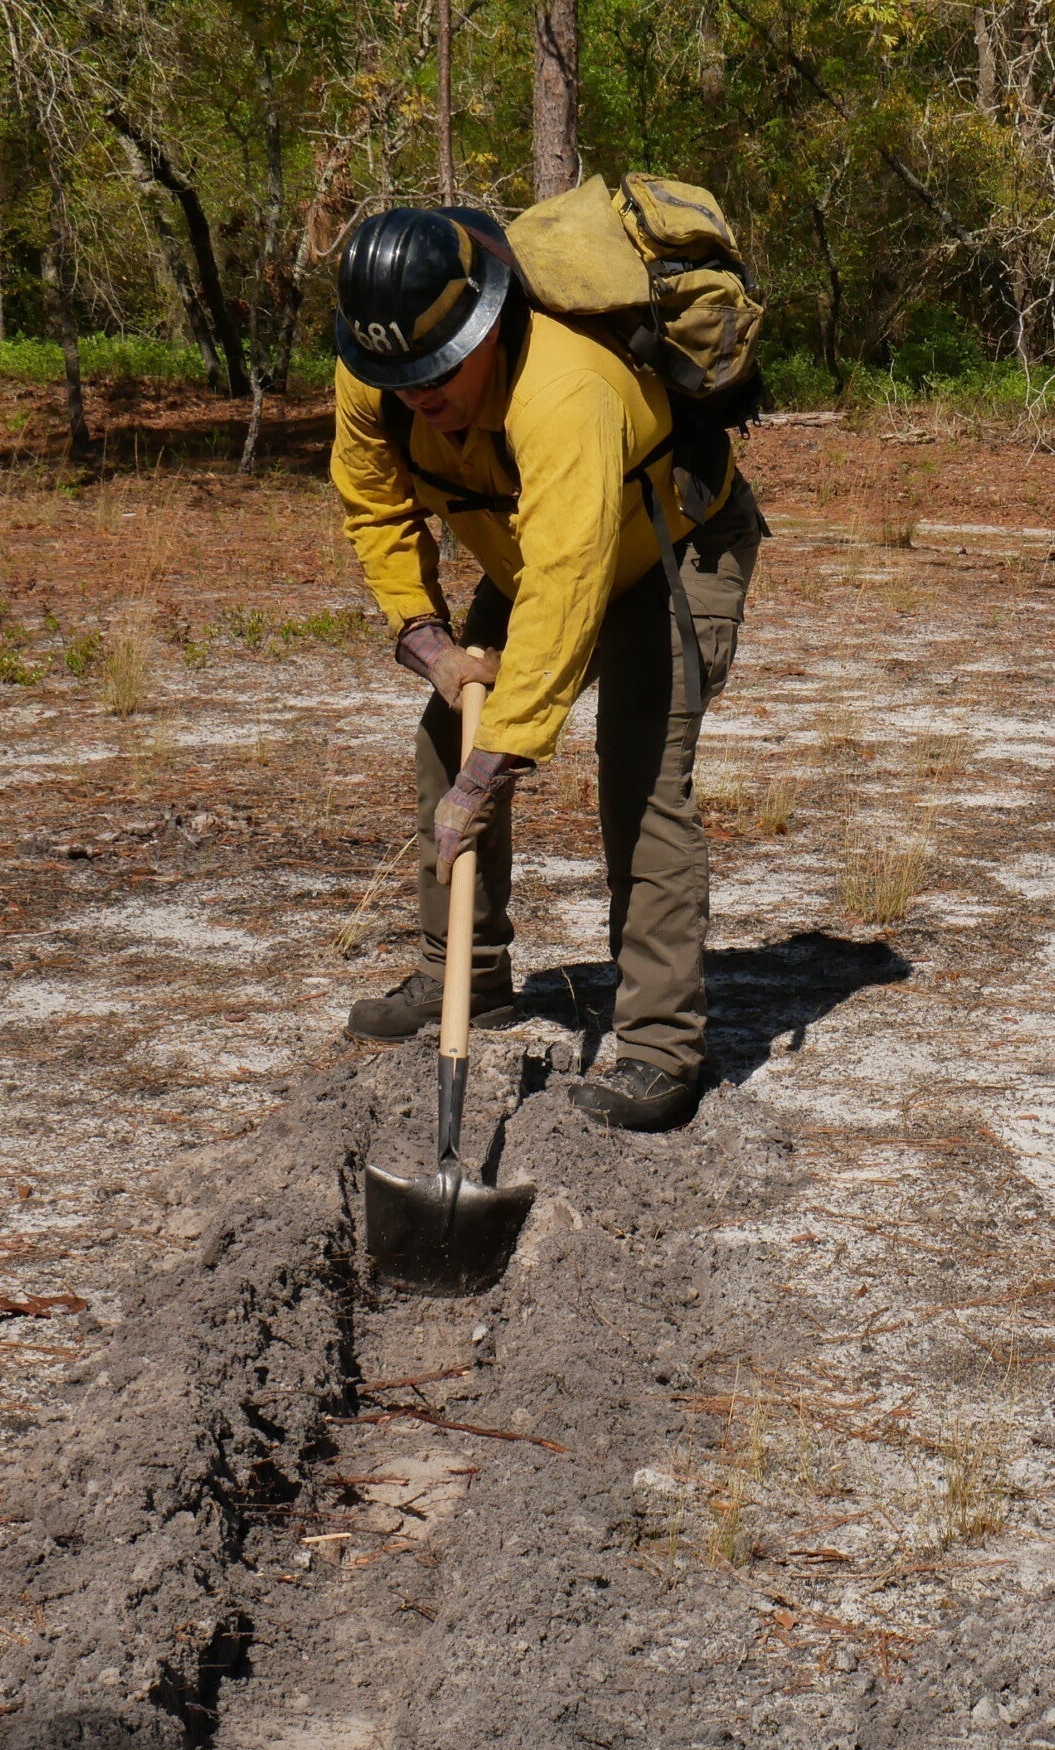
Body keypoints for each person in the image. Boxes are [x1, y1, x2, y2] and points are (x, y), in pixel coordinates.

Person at [326, 204, 765, 1133]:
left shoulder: (564, 392)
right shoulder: (377, 370)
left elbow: (572, 584)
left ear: (481, 324)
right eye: (401, 377)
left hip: (669, 544)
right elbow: (373, 506)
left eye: (437, 370)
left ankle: (657, 1045)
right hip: (527, 549)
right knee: (450, 738)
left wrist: (497, 769)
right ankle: (464, 976)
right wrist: (427, 638)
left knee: (640, 777)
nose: (419, 394)